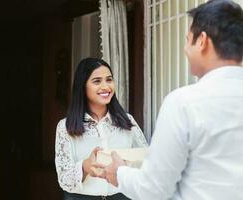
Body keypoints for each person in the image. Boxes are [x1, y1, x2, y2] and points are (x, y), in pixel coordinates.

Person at [100, 0, 243, 200]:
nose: (185, 49)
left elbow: (153, 190)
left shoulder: (184, 103)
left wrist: (119, 173)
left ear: (202, 41)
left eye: (187, 39)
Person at [55, 57, 148, 200]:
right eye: (97, 81)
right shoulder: (65, 127)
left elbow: (147, 162)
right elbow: (64, 179)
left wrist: (126, 168)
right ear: (82, 86)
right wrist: (85, 167)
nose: (106, 87)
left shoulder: (127, 121)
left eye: (109, 80)